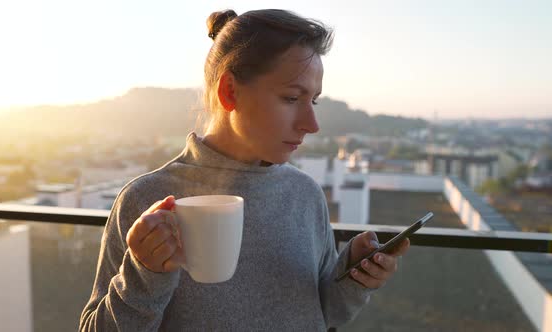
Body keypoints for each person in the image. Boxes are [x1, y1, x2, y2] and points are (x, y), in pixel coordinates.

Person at [80, 9, 409, 331]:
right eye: (292, 98)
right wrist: (143, 274)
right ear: (229, 91)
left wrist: (352, 276)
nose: (312, 124)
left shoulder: (304, 194)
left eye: (315, 101)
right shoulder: (146, 201)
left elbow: (324, 313)